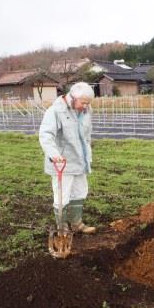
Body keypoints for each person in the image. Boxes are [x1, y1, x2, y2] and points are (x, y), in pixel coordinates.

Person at [39, 82, 96, 234]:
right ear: (72, 98)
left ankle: (77, 224)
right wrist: (54, 155)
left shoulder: (86, 111)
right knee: (62, 195)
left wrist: (88, 153)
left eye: (88, 103)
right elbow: (46, 135)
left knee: (80, 191)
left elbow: (87, 135)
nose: (85, 106)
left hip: (80, 160)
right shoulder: (56, 111)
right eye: (83, 102)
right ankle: (62, 227)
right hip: (62, 162)